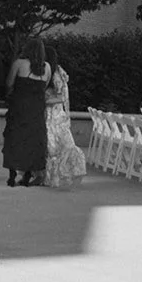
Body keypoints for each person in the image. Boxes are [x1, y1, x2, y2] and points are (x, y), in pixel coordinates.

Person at [2, 36, 50, 187]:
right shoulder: (47, 67)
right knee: (33, 141)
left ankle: (12, 175)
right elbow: (45, 86)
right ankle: (28, 176)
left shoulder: (19, 63)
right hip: (37, 109)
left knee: (14, 139)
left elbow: (9, 83)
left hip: (19, 107)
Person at [42, 48, 87, 189]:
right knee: (55, 148)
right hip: (57, 114)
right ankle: (53, 177)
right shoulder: (58, 72)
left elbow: (60, 97)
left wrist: (42, 100)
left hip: (54, 115)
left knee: (54, 147)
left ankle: (54, 178)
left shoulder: (55, 75)